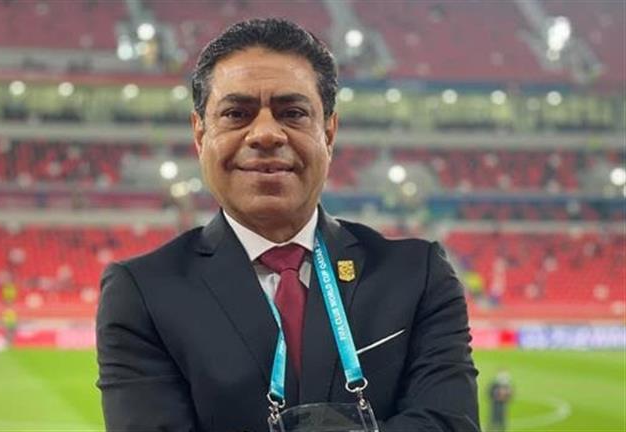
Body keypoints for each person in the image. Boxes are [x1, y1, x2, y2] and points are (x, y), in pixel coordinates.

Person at [96, 18, 479, 432]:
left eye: (293, 113)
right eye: (236, 114)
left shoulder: (417, 275)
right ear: (200, 134)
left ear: (328, 132)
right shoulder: (143, 293)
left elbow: (450, 424)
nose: (265, 134)